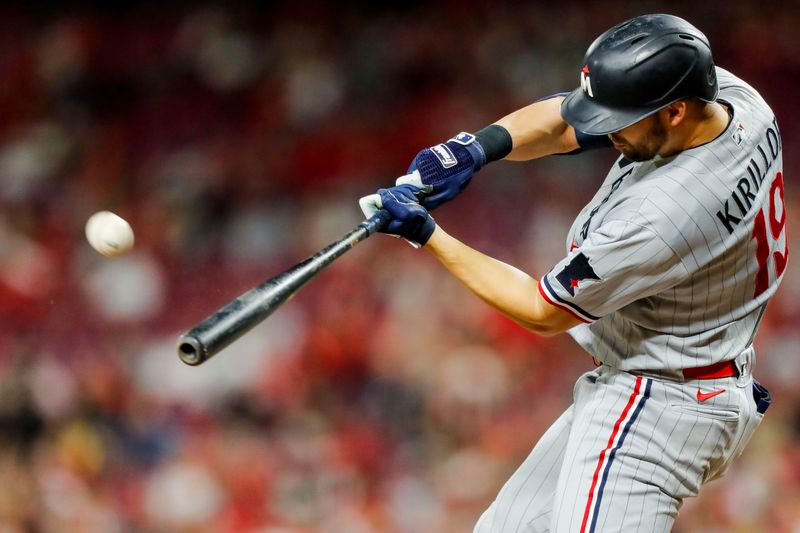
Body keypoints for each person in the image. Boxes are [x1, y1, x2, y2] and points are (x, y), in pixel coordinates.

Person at [360, 13, 783, 533]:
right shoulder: (739, 104)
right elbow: (566, 121)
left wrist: (428, 234)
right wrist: (473, 149)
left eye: (618, 118)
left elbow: (541, 311)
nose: (603, 129)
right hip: (675, 375)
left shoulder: (668, 216)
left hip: (661, 408)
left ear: (674, 111)